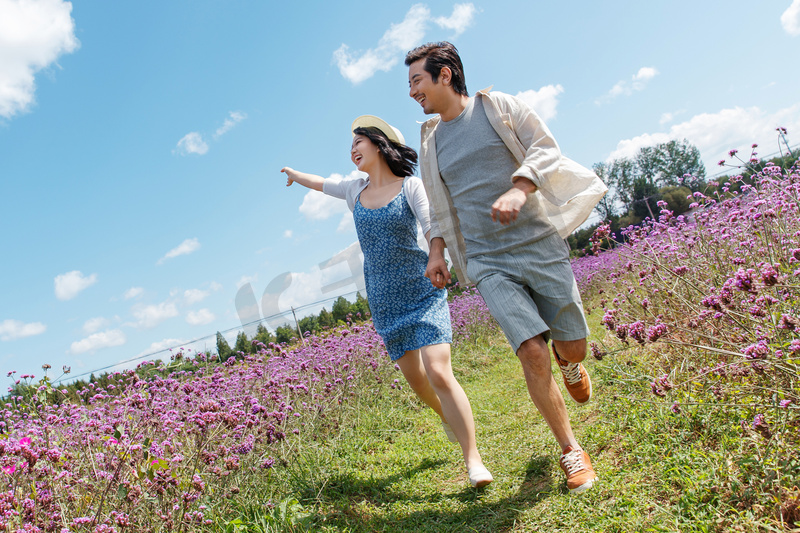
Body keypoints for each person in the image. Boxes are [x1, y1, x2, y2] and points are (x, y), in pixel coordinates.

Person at [405, 42, 608, 494]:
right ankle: (571, 449)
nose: (412, 91)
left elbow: (545, 146)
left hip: (538, 243)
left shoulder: (498, 107)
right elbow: (439, 207)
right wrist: (436, 252)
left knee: (571, 347)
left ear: (445, 74)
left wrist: (520, 187)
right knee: (531, 351)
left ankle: (571, 364)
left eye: (417, 80)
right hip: (486, 260)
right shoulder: (431, 142)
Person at [280, 115, 493, 488]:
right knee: (418, 382)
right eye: (350, 147)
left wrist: (437, 255)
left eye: (358, 143)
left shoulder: (409, 186)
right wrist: (296, 175)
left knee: (439, 372)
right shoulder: (354, 192)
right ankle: (448, 417)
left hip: (422, 290)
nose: (352, 150)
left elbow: (432, 226)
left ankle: (472, 458)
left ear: (378, 145)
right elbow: (322, 184)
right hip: (384, 300)